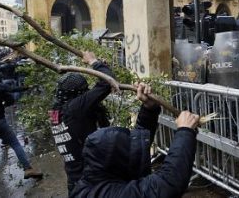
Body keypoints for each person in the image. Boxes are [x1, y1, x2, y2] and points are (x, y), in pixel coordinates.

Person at [70, 84, 200, 198]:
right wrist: (185, 132)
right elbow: (168, 183)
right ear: (118, 162)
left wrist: (149, 109)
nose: (135, 151)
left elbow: (136, 149)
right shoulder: (111, 194)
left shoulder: (97, 177)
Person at [49, 51, 114, 196]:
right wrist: (94, 62)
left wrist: (102, 67)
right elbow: (106, 83)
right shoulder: (75, 108)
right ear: (78, 94)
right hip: (90, 180)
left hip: (74, 178)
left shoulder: (55, 110)